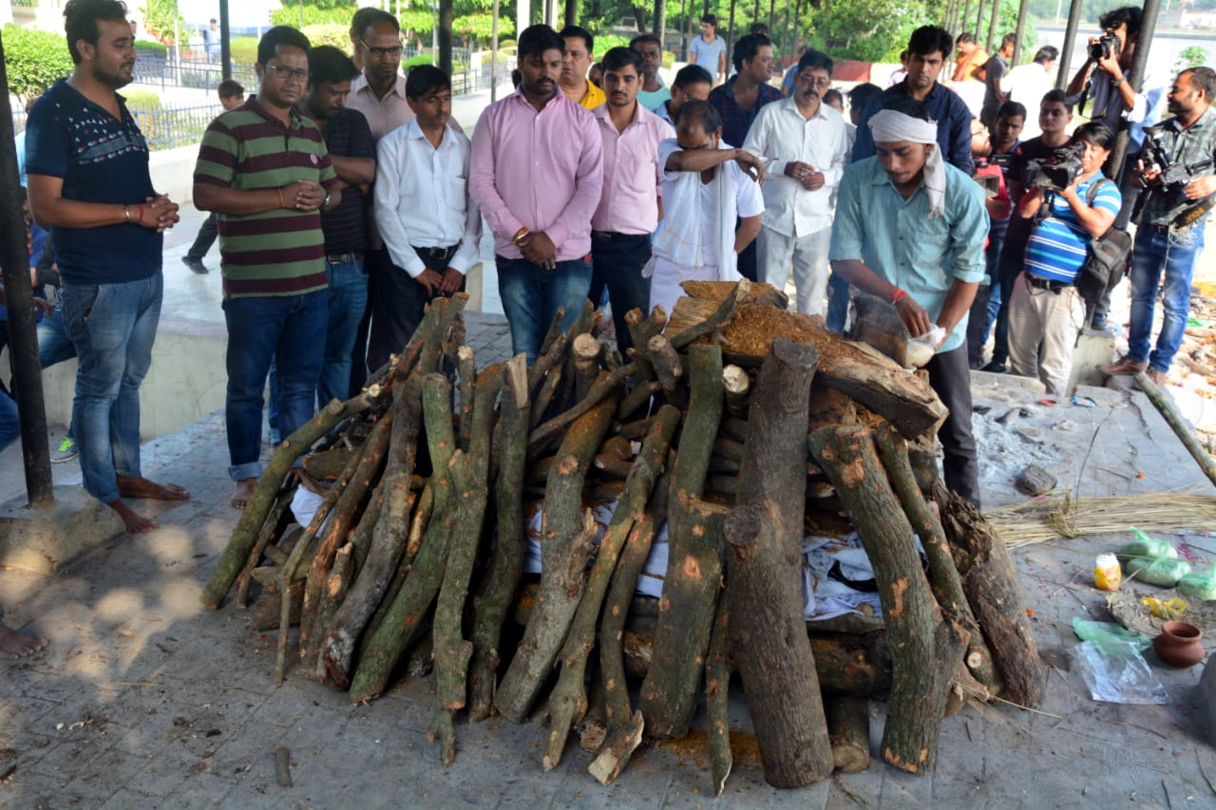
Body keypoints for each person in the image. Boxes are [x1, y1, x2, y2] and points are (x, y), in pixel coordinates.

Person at [25, 0, 188, 533]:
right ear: (85, 48)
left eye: (131, 41)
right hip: (97, 281)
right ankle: (104, 497)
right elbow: (44, 207)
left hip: (144, 271)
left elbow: (124, 186)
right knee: (99, 388)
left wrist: (154, 205)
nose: (132, 54)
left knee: (130, 381)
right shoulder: (53, 111)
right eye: (119, 44)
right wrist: (130, 213)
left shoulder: (120, 106)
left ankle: (128, 477)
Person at [193, 26, 341, 510]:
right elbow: (205, 196)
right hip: (254, 291)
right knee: (247, 387)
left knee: (300, 385)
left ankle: (294, 466)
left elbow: (333, 190)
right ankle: (246, 474)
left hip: (311, 286)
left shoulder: (310, 131)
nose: (294, 80)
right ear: (259, 70)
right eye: (283, 70)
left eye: (301, 73)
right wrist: (277, 197)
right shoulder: (229, 128)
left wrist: (325, 195)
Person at [830, 97, 988, 506]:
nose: (893, 164)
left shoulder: (963, 193)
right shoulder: (858, 180)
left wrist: (939, 334)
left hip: (941, 332)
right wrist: (896, 297)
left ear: (928, 147)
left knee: (955, 431)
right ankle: (881, 520)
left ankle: (966, 522)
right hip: (877, 329)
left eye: (904, 153)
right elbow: (844, 259)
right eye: (883, 152)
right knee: (872, 429)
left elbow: (968, 274)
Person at [469, 24, 603, 363]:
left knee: (563, 354)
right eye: (537, 63)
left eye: (555, 64)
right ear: (520, 62)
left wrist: (552, 238)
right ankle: (525, 418)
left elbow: (591, 187)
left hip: (570, 256)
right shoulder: (493, 117)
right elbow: (481, 183)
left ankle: (560, 417)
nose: (547, 72)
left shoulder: (582, 121)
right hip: (516, 256)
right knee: (524, 353)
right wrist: (523, 236)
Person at [1101, 67, 1216, 386]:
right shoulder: (1161, 131)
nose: (1169, 94)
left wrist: (1210, 182)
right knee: (1141, 295)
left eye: (1177, 90)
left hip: (1186, 228)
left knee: (1175, 302)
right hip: (1152, 223)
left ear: (1199, 94)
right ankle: (1137, 356)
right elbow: (1142, 175)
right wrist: (1143, 178)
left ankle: (1160, 366)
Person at [374, 65, 481, 357]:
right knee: (406, 351)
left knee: (447, 348)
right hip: (407, 263)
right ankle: (404, 404)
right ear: (412, 102)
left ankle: (441, 403)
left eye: (447, 98)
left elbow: (475, 208)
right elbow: (385, 210)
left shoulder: (463, 146)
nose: (443, 107)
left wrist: (459, 264)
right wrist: (416, 268)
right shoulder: (393, 146)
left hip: (452, 262)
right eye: (433, 99)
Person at [1008, 123, 1119, 394]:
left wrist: (1070, 194)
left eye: (1095, 149)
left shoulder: (1105, 189)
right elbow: (1024, 211)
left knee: (1054, 366)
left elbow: (1097, 226)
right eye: (1083, 147)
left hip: (1064, 291)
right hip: (1029, 282)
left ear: (1106, 154)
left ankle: (1051, 419)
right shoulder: (1058, 176)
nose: (1087, 154)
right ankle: (1022, 414)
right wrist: (1043, 181)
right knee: (1020, 362)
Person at [743, 48, 849, 316]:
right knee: (769, 294)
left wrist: (824, 178)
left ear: (828, 85)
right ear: (795, 78)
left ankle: (809, 353)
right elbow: (747, 157)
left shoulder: (835, 122)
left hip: (817, 223)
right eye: (807, 79)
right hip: (774, 219)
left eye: (820, 82)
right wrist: (782, 167)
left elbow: (844, 165)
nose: (813, 87)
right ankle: (766, 351)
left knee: (812, 299)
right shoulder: (771, 114)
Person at [300, 46, 375, 408]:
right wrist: (341, 180)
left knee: (340, 356)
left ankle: (332, 435)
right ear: (309, 84)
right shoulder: (289, 124)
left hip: (350, 264)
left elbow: (367, 172)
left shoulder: (352, 121)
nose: (341, 99)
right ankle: (286, 440)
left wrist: (320, 167)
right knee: (296, 359)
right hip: (300, 265)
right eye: (333, 91)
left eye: (345, 92)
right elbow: (294, 182)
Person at [587, 47, 674, 353]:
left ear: (640, 81)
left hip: (634, 247)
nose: (619, 86)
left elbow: (666, 191)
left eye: (628, 79)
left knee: (633, 334)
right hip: (583, 243)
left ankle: (631, 399)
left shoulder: (660, 131)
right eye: (612, 78)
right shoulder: (584, 125)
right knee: (577, 327)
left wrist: (642, 219)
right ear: (602, 80)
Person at [649, 100, 765, 318]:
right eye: (685, 146)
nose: (691, 153)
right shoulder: (669, 148)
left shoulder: (740, 165)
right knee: (663, 337)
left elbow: (752, 224)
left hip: (717, 269)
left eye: (699, 147)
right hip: (671, 265)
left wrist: (724, 255)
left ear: (717, 133)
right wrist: (735, 154)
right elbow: (684, 162)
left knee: (707, 343)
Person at [985, 90, 1073, 373]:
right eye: (1045, 111)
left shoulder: (1076, 152)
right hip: (1018, 237)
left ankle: (1039, 367)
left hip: (1055, 246)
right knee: (1008, 301)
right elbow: (1013, 193)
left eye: (1056, 112)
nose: (1049, 117)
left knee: (1048, 309)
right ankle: (1000, 358)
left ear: (1068, 117)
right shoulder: (1025, 151)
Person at [853, 26, 975, 176]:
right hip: (885, 191)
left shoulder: (955, 108)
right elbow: (861, 158)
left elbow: (962, 163)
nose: (924, 68)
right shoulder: (880, 104)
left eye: (933, 62)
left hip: (935, 193)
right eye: (919, 59)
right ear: (908, 59)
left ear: (943, 64)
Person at [709, 32, 781, 284]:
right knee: (721, 260)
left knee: (756, 270)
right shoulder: (716, 99)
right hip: (723, 192)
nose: (772, 64)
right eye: (765, 59)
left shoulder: (775, 100)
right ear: (746, 63)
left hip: (763, 195)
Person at [968, 101, 1025, 367]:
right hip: (976, 234)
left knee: (993, 295)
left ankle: (983, 349)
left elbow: (996, 204)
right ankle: (970, 345)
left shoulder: (1022, 155)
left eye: (1015, 126)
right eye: (1004, 124)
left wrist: (981, 193)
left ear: (1022, 126)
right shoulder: (979, 150)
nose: (1008, 130)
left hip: (1003, 235)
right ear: (996, 122)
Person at [825, 81, 883, 333]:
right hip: (871, 219)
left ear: (859, 110)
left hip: (853, 217)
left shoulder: (859, 136)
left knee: (843, 278)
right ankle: (853, 331)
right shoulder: (878, 138)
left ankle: (837, 332)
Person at [182, 79, 246, 274]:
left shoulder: (240, 120)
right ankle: (194, 256)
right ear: (225, 100)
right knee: (214, 222)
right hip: (225, 186)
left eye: (242, 97)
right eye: (237, 98)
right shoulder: (222, 126)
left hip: (235, 186)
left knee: (215, 222)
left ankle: (194, 255)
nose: (241, 101)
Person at [1000, 46, 1057, 140]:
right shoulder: (1046, 79)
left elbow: (1003, 88)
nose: (1051, 66)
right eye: (1052, 64)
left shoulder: (1017, 70)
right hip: (1034, 127)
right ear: (1046, 62)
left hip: (1014, 121)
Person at [559, 25, 604, 110]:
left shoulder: (603, 101)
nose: (567, 59)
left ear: (589, 59)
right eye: (562, 53)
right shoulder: (541, 96)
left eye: (575, 54)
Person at [980, 33, 1016, 132]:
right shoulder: (999, 65)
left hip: (987, 104)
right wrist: (1009, 104)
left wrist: (987, 83)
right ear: (1008, 47)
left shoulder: (991, 60)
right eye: (1015, 48)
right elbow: (998, 92)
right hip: (995, 107)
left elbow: (975, 72)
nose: (1017, 52)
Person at [631, 33, 670, 112]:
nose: (648, 59)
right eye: (642, 55)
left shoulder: (670, 97)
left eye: (653, 54)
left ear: (660, 57)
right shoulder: (624, 95)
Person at [688, 14, 726, 86]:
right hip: (698, 79)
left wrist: (720, 78)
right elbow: (692, 62)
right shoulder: (696, 41)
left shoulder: (720, 41)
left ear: (713, 27)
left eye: (706, 27)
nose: (704, 29)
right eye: (702, 26)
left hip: (713, 80)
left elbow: (723, 61)